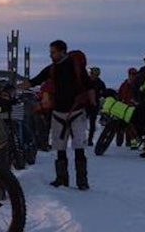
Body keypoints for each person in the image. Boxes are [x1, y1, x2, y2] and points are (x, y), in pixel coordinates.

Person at [18, 39, 94, 190]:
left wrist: (92, 104)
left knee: (77, 147)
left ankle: (78, 181)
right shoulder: (52, 69)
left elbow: (89, 85)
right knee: (61, 148)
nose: (50, 55)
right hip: (60, 112)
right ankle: (65, 180)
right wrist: (14, 87)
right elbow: (35, 81)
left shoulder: (75, 66)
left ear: (62, 51)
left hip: (75, 112)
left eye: (53, 52)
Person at [86, 66, 107, 146]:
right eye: (90, 73)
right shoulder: (86, 81)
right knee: (80, 122)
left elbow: (104, 93)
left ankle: (90, 140)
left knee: (92, 123)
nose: (90, 74)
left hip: (94, 105)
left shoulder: (100, 83)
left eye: (91, 73)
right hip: (84, 104)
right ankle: (81, 138)